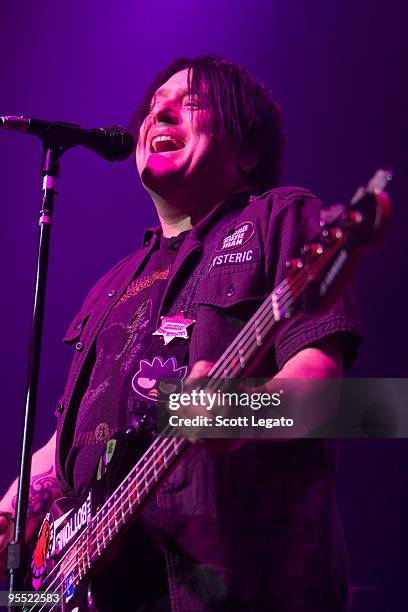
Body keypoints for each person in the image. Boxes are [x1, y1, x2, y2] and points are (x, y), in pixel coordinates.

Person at [0, 55, 362, 611]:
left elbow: (332, 399)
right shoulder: (113, 284)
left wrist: (234, 414)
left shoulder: (281, 219)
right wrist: (10, 513)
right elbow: (66, 446)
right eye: (153, 106)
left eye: (192, 103)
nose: (158, 111)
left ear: (247, 152)